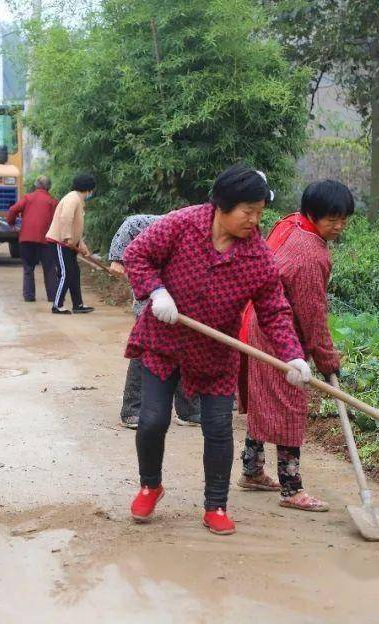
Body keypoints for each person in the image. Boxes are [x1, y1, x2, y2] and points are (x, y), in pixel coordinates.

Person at [122, 164, 311, 536]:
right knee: (152, 420)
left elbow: (274, 308)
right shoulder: (182, 224)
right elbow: (136, 255)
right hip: (165, 341)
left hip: (215, 353)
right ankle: (150, 485)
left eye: (260, 213)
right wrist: (157, 292)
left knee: (219, 430)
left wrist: (292, 355)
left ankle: (216, 506)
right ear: (222, 206)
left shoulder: (257, 256)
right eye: (248, 212)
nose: (255, 221)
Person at [237, 179, 354, 513]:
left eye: (344, 218)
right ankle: (291, 489)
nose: (339, 226)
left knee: (263, 399)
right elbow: (312, 316)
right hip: (281, 338)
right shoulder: (310, 256)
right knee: (290, 408)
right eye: (332, 219)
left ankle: (252, 469)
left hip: (263, 325)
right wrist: (327, 359)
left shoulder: (293, 225)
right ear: (312, 214)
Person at [108, 214, 200, 429]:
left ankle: (189, 411)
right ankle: (133, 409)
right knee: (145, 346)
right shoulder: (178, 223)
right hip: (151, 290)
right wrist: (117, 258)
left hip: (182, 296)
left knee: (185, 347)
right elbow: (131, 223)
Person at [45, 173, 96, 315]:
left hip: (68, 243)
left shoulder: (78, 200)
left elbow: (76, 229)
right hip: (59, 242)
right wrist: (67, 237)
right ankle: (57, 305)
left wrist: (83, 247)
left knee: (74, 273)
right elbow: (66, 218)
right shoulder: (73, 199)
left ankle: (78, 304)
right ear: (88, 189)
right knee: (66, 273)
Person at [6, 176, 60, 303]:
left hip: (26, 239)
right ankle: (52, 297)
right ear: (49, 187)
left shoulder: (28, 198)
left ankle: (29, 296)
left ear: (36, 185)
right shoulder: (53, 202)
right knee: (49, 269)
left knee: (28, 268)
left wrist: (11, 223)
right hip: (46, 240)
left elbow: (13, 209)